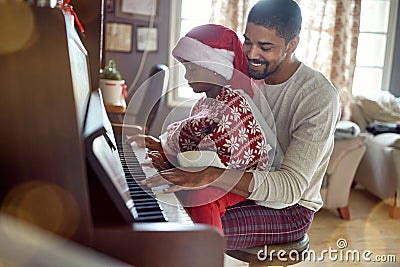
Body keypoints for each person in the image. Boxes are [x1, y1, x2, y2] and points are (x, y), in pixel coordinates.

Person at [139, 0, 340, 250]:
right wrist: (171, 154)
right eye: (248, 41)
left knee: (184, 227)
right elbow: (215, 137)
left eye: (265, 47)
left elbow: (290, 189)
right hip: (240, 188)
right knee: (167, 200)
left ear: (292, 44)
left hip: (289, 209)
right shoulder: (243, 77)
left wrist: (210, 175)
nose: (252, 54)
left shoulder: (317, 95)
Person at [146, 23, 274, 232]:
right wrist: (164, 151)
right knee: (177, 181)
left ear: (216, 70)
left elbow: (223, 158)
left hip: (240, 177)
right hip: (216, 167)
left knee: (202, 195)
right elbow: (192, 143)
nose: (186, 76)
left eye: (192, 68)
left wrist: (174, 162)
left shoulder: (234, 103)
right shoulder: (203, 104)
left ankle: (205, 252)